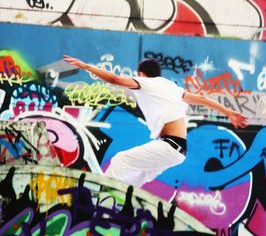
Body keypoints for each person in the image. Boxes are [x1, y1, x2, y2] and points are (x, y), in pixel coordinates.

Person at [63, 55, 248, 187]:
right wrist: (229, 112)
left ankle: (99, 201)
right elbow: (203, 99)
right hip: (178, 151)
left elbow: (115, 78)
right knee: (135, 179)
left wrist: (85, 66)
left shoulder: (145, 82)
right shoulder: (171, 87)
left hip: (169, 146)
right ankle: (121, 210)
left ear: (141, 74)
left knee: (120, 161)